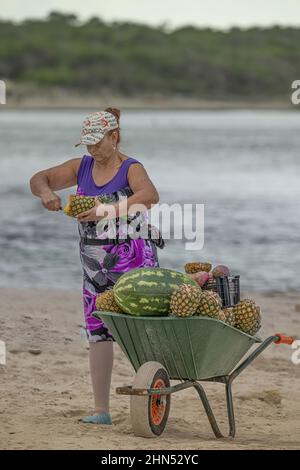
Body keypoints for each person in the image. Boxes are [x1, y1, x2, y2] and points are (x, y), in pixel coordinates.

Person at [30, 107, 163, 425]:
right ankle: (101, 411)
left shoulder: (131, 168)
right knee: (97, 334)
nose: (91, 149)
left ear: (114, 137)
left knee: (141, 334)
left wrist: (108, 209)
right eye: (86, 143)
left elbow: (150, 195)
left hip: (134, 266)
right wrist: (47, 193)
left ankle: (152, 402)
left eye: (96, 142)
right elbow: (39, 178)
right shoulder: (81, 167)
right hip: (93, 269)